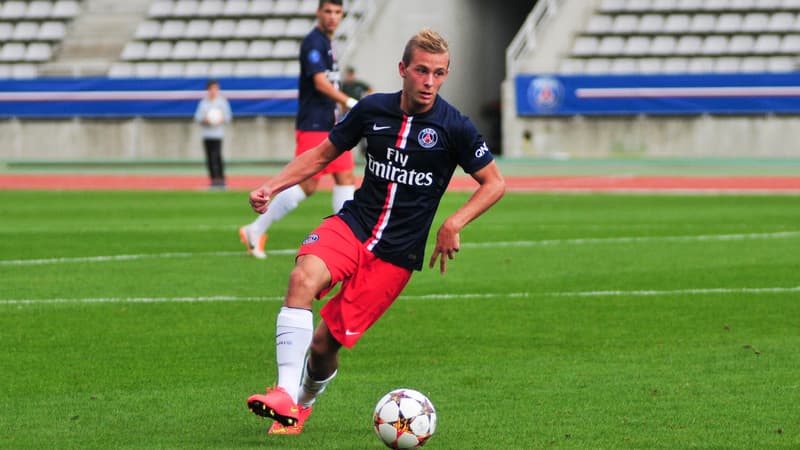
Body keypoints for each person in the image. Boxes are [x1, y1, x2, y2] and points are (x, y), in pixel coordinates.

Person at [245, 28, 506, 435]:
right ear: (403, 69)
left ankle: (302, 402)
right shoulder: (371, 110)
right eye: (421, 70)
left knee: (323, 346)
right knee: (302, 277)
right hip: (354, 225)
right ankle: (283, 394)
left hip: (395, 256)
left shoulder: (456, 127)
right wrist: (272, 185)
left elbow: (494, 183)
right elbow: (322, 154)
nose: (429, 81)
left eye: (439, 73)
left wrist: (453, 223)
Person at [239, 0, 359, 259]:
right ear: (319, 13)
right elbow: (319, 83)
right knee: (306, 184)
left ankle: (346, 243)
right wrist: (349, 102)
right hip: (314, 124)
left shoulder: (328, 43)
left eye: (337, 12)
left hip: (331, 123)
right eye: (328, 11)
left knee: (345, 177)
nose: (332, 17)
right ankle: (255, 229)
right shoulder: (313, 42)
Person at [194, 79, 232, 189]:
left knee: (217, 157)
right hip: (206, 134)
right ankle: (213, 180)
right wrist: (205, 120)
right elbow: (198, 117)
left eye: (216, 88)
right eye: (211, 88)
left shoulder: (222, 102)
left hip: (217, 134)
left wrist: (221, 119)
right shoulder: (203, 102)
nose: (214, 91)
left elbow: (228, 117)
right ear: (208, 89)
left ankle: (221, 179)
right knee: (209, 158)